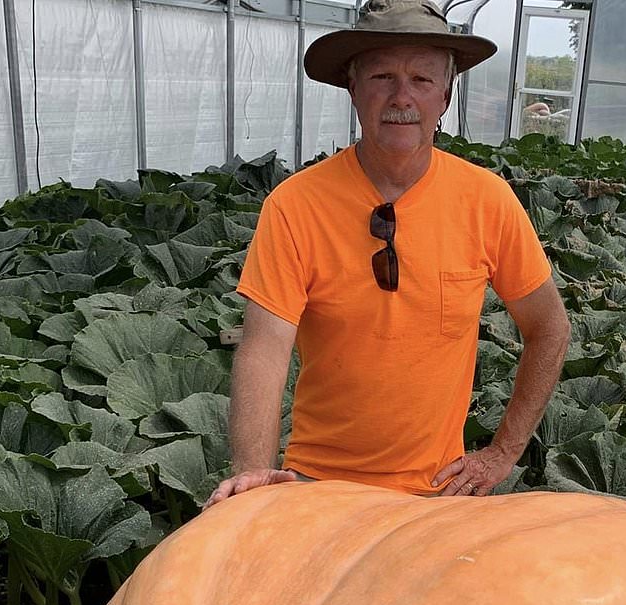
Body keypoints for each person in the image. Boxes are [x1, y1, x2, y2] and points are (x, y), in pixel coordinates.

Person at [203, 0, 569, 506]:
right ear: (353, 89)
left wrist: (502, 453)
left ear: (445, 95)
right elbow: (264, 347)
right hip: (317, 485)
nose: (403, 97)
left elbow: (549, 328)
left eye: (422, 79)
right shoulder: (295, 205)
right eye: (382, 77)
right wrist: (253, 472)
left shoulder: (487, 201)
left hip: (440, 490)